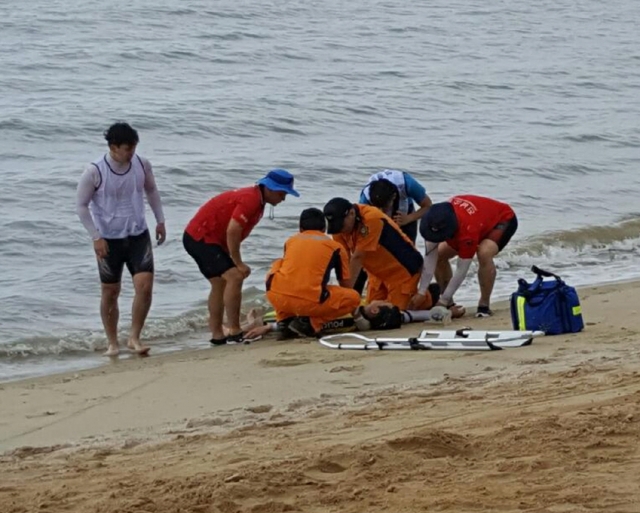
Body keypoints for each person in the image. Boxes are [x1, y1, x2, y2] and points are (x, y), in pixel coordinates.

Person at [76, 122, 166, 357]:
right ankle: (112, 342)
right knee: (110, 291)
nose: (131, 153)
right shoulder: (95, 171)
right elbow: (81, 206)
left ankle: (134, 337)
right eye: (127, 149)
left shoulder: (142, 164)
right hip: (108, 239)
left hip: (138, 234)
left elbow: (152, 191)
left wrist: (160, 220)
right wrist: (96, 237)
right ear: (113, 147)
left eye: (134, 148)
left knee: (144, 287)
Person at [183, 169, 299, 345]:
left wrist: (231, 257)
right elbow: (233, 230)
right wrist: (238, 262)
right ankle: (235, 330)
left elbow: (231, 231)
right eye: (282, 193)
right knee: (235, 276)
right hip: (201, 237)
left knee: (219, 282)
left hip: (202, 238)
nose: (283, 198)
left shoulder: (258, 199)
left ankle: (217, 334)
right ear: (270, 189)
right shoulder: (251, 199)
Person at [410, 195, 518, 318]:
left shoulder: (467, 233)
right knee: (440, 255)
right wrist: (421, 292)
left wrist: (441, 302)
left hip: (502, 219)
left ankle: (484, 304)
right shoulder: (433, 221)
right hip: (477, 220)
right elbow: (430, 258)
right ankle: (449, 302)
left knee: (484, 253)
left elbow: (461, 270)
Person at [322, 197, 432, 311]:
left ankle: (429, 296)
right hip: (377, 275)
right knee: (371, 310)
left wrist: (345, 294)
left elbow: (358, 257)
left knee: (395, 312)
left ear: (351, 213)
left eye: (341, 226)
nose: (340, 230)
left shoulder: (371, 218)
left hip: (402, 273)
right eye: (336, 226)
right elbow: (344, 260)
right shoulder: (338, 228)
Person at [265, 208, 362, 338]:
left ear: (300, 228)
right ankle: (309, 323)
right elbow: (345, 283)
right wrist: (351, 309)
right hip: (308, 301)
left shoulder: (290, 241)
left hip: (276, 298)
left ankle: (284, 321)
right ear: (324, 228)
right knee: (354, 298)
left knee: (280, 265)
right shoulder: (335, 247)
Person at [359, 170, 432, 242]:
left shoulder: (408, 184)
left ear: (394, 197)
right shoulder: (365, 198)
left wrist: (408, 218)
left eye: (384, 208)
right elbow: (360, 224)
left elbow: (428, 205)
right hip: (377, 218)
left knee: (408, 248)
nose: (382, 211)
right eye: (378, 208)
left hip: (405, 214)